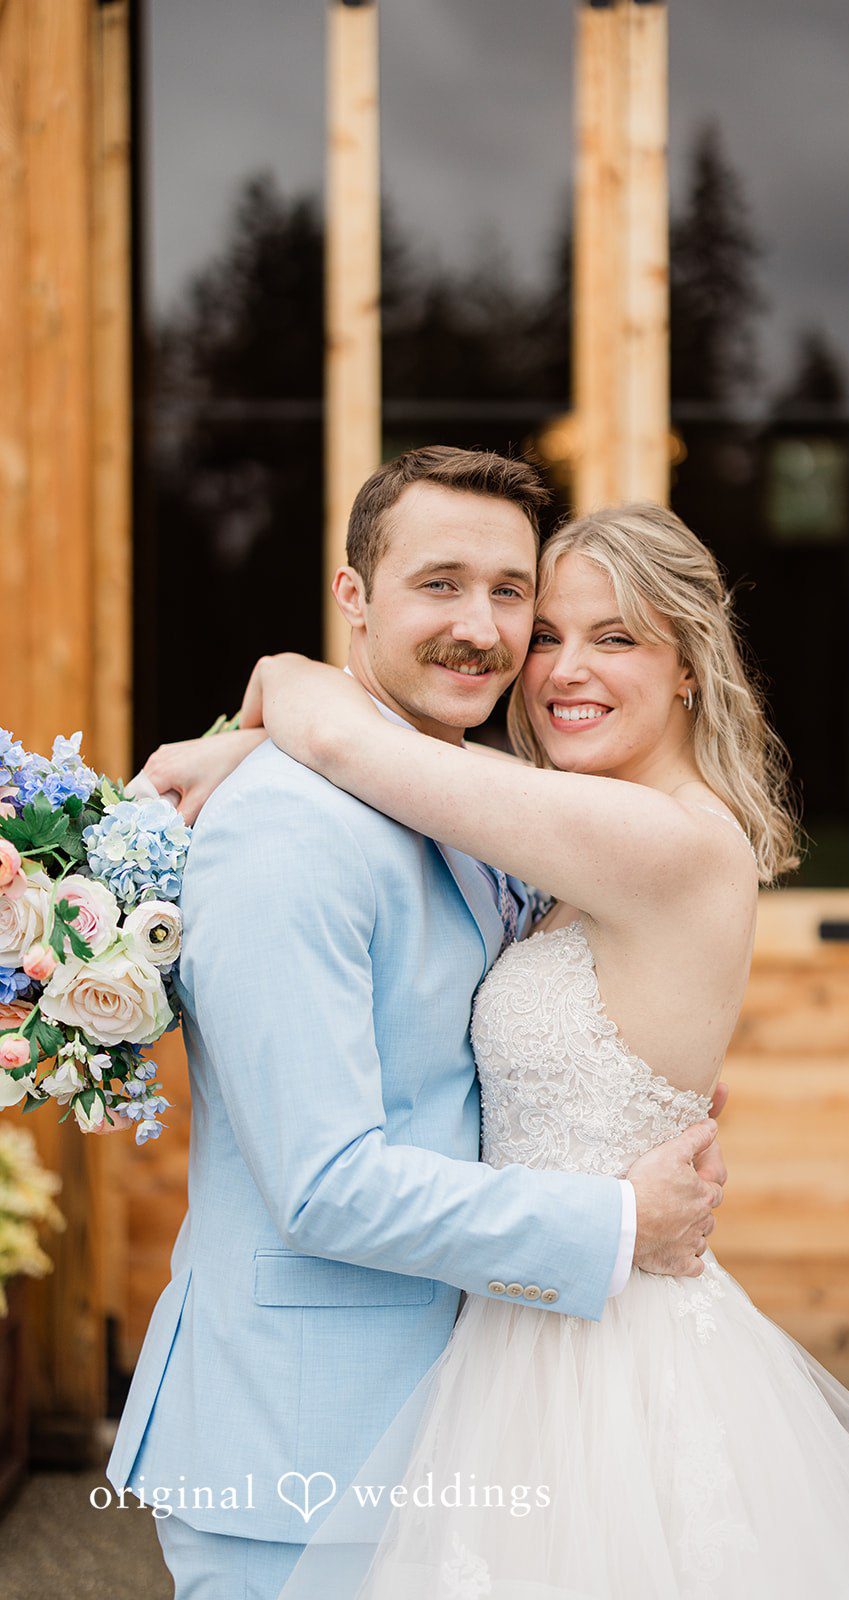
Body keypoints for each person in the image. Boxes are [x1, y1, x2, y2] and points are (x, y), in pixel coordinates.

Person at [160, 491, 849, 1597]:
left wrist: (268, 694)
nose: (559, 670)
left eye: (613, 638)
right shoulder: (559, 827)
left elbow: (343, 732)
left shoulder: (649, 836)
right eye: (545, 634)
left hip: (597, 1353)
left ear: (690, 663)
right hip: (509, 1338)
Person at [106, 448, 729, 1600]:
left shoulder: (453, 797)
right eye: (438, 583)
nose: (483, 630)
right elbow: (327, 1182)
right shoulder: (283, 835)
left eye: (509, 595)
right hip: (298, 1442)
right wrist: (613, 1218)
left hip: (459, 1424)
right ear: (355, 598)